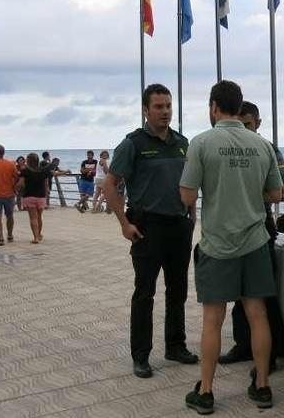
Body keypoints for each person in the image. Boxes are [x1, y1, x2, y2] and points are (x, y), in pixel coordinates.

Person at [180, 80, 284, 413]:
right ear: (239, 108)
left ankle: (207, 392)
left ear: (213, 106)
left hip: (218, 244)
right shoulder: (261, 145)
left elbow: (186, 195)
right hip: (255, 242)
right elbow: (276, 193)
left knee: (213, 319)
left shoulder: (201, 143)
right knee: (258, 315)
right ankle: (263, 385)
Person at [103, 83, 199, 381]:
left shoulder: (183, 143)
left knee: (178, 290)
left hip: (178, 225)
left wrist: (192, 215)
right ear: (146, 110)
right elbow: (110, 184)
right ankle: (141, 356)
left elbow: (190, 182)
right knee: (145, 292)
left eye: (168, 106)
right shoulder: (133, 143)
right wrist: (124, 224)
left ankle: (175, 346)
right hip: (146, 226)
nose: (165, 112)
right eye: (158, 107)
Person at [219, 101, 284, 368]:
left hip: (261, 225)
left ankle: (269, 357)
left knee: (264, 294)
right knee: (238, 293)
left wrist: (245, 193)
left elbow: (282, 190)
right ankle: (243, 345)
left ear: (258, 124)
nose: (244, 130)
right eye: (239, 124)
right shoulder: (226, 149)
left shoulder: (268, 149)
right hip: (230, 229)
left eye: (248, 124)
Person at [18, 152, 51, 244]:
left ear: (28, 161)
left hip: (29, 196)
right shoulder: (43, 171)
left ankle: (35, 237)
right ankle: (39, 234)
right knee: (39, 217)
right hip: (41, 196)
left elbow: (20, 184)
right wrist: (46, 193)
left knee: (33, 218)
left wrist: (15, 188)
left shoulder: (25, 171)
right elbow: (46, 185)